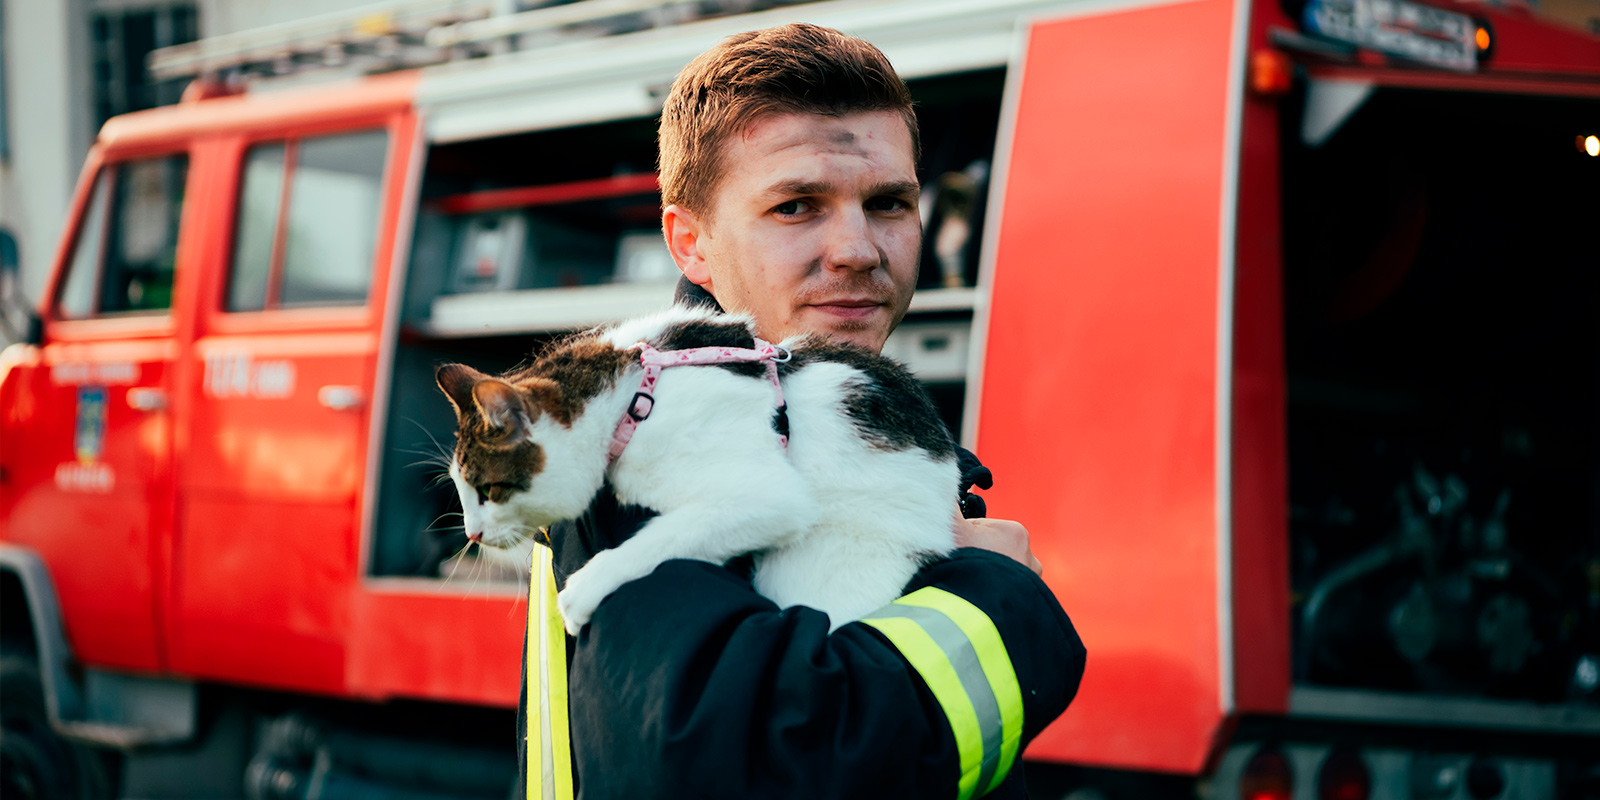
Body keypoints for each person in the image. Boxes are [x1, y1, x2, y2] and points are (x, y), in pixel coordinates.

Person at [519, 23, 1085, 799]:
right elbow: (760, 766)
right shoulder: (643, 453)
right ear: (692, 246)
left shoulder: (813, 420)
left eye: (889, 202)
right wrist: (993, 597)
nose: (859, 248)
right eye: (796, 206)